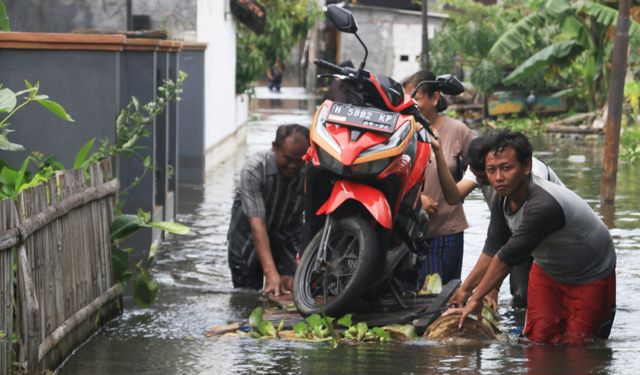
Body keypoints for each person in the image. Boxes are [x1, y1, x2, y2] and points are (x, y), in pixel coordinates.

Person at [445, 129, 616, 345]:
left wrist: (477, 297)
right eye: (491, 170)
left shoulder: (543, 205)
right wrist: (463, 292)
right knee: (537, 341)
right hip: (549, 267)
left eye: (506, 168)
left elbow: (508, 256)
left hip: (590, 272)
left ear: (526, 167)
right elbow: (493, 248)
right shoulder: (502, 197)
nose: (498, 177)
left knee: (578, 347)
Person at [430, 133, 564, 308]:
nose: (495, 180)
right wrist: (439, 154)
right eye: (487, 174)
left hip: (549, 237)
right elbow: (454, 196)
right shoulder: (482, 169)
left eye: (499, 170)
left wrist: (491, 286)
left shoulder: (532, 175)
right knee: (520, 296)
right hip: (515, 232)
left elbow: (513, 244)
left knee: (542, 296)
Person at [402, 70, 474, 287]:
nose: (409, 105)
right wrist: (416, 199)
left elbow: (480, 170)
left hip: (445, 230)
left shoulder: (458, 131)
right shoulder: (400, 130)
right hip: (407, 233)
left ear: (435, 98)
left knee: (438, 298)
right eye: (405, 99)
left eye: (416, 98)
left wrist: (459, 191)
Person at [227, 124, 310, 296]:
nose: (294, 166)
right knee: (248, 293)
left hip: (286, 233)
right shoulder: (254, 169)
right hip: (247, 236)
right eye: (288, 159)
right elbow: (257, 224)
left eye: (300, 160)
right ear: (275, 147)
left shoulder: (311, 171)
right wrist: (270, 272)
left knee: (294, 284)